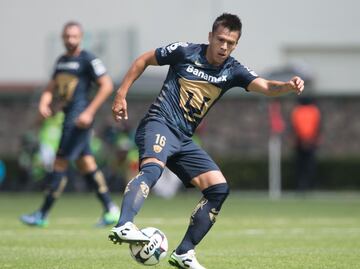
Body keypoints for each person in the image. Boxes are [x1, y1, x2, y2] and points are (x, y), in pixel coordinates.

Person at [109, 13, 304, 269]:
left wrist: (288, 86)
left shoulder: (232, 70)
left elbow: (266, 86)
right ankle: (124, 224)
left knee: (218, 189)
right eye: (221, 39)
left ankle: (184, 253)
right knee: (153, 168)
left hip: (184, 138)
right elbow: (144, 59)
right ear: (210, 37)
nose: (224, 46)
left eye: (231, 43)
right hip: (159, 123)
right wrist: (121, 94)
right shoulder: (184, 51)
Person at [20, 21, 119, 228]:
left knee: (60, 164)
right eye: (67, 36)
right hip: (68, 117)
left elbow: (107, 85)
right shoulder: (61, 61)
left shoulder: (88, 59)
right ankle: (111, 210)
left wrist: (89, 112)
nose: (70, 40)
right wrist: (44, 101)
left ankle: (42, 214)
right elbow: (51, 87)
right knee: (87, 165)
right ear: (62, 37)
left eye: (74, 36)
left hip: (78, 121)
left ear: (81, 37)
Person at [291, 96, 321, 192]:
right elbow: (317, 127)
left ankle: (301, 186)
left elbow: (295, 127)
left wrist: (303, 140)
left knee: (300, 166)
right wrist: (310, 140)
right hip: (309, 142)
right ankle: (309, 186)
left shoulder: (297, 110)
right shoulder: (314, 110)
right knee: (309, 165)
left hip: (300, 142)